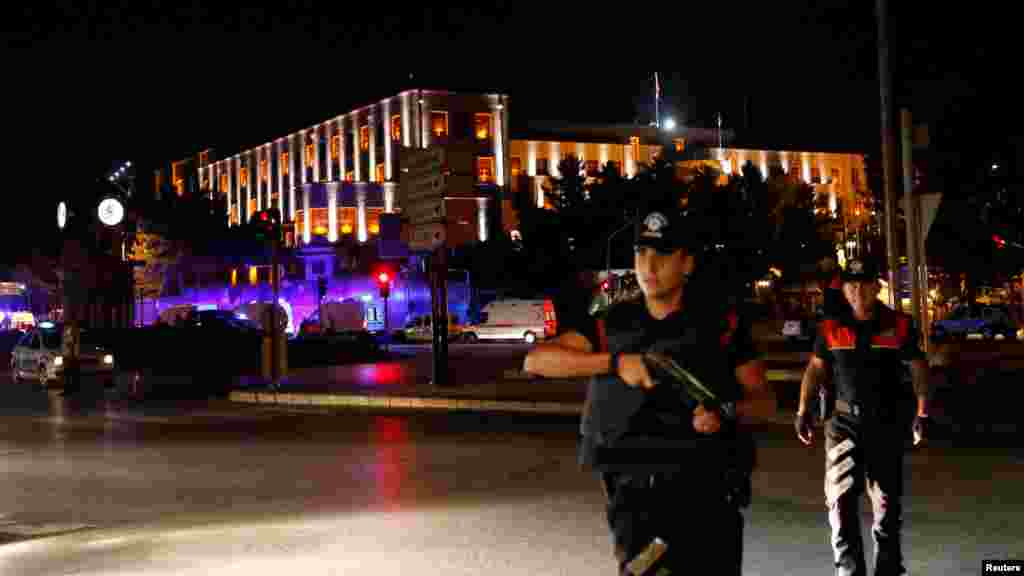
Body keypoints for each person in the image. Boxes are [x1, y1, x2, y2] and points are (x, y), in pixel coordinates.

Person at [524, 206, 774, 575]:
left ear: (686, 263)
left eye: (662, 254)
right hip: (637, 504)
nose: (649, 266)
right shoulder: (612, 321)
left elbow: (764, 401)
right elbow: (537, 361)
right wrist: (614, 363)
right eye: (641, 253)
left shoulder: (721, 323)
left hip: (707, 501)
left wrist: (726, 412)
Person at [795, 257, 930, 576]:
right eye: (851, 284)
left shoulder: (899, 325)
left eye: (865, 284)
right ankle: (848, 570)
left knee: (886, 506)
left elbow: (918, 369)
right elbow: (815, 369)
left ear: (876, 287)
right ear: (844, 288)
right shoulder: (830, 326)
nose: (858, 291)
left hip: (886, 423)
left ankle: (888, 569)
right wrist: (803, 409)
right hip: (842, 426)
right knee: (840, 503)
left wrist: (922, 411)